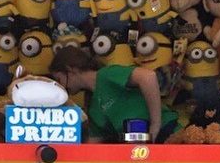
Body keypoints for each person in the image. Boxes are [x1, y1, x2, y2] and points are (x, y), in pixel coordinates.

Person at [49, 46, 179, 143]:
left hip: (167, 132)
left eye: (60, 80)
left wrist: (155, 125)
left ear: (70, 70)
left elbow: (148, 77)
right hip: (139, 146)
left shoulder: (106, 75)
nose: (62, 87)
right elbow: (94, 142)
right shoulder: (93, 106)